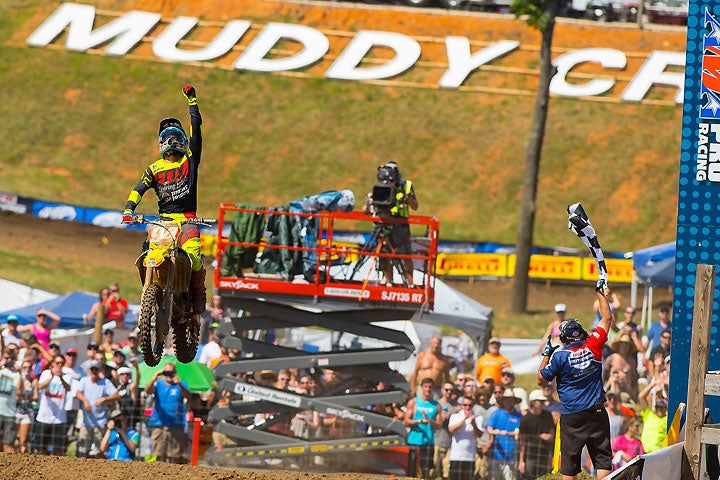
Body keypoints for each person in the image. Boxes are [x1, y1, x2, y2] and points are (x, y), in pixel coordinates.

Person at [122, 85, 206, 315]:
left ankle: (199, 293)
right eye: (167, 138)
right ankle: (153, 290)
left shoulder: (189, 161)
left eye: (176, 137)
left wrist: (192, 103)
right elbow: (138, 188)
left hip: (187, 220)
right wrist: (129, 209)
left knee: (194, 252)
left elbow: (196, 132)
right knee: (149, 250)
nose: (171, 142)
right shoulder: (154, 168)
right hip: (164, 222)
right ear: (161, 143)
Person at [537, 282, 615, 480]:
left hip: (572, 416)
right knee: (603, 459)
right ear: (581, 332)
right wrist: (600, 294)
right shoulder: (593, 345)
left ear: (563, 338)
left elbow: (541, 380)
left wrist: (546, 354)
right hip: (596, 412)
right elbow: (607, 318)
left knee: (569, 465)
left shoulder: (560, 357)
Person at [362, 160, 419, 287]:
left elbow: (415, 206)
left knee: (405, 253)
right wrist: (369, 205)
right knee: (384, 253)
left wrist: (407, 198)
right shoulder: (380, 187)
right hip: (383, 223)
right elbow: (366, 207)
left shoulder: (406, 186)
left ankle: (410, 282)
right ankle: (388, 281)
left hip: (400, 224)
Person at [145, 362, 190, 463]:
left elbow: (188, 396)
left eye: (171, 372)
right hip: (158, 423)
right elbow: (147, 390)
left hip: (176, 425)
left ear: (175, 372)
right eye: (167, 372)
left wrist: (179, 383)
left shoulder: (181, 384)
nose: (169, 375)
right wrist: (154, 377)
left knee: (175, 456)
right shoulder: (159, 384)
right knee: (157, 455)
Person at [75, 360, 120, 458]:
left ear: (99, 370)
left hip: (100, 422)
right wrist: (85, 401)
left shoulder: (105, 383)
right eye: (92, 369)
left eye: (96, 369)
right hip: (86, 422)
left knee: (100, 450)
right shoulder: (84, 381)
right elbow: (78, 393)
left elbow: (116, 395)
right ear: (90, 370)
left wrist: (105, 398)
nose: (94, 371)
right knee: (83, 450)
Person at [405, 377, 442, 480]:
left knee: (426, 472)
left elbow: (439, 425)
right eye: (425, 386)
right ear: (421, 388)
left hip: (428, 442)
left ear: (433, 388)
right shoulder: (414, 402)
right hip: (414, 440)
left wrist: (430, 421)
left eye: (430, 387)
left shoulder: (436, 405)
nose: (428, 389)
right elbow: (406, 421)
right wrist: (418, 421)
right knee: (411, 471)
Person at [35, 354, 71, 455]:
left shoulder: (66, 376)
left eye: (62, 363)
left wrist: (61, 378)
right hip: (44, 417)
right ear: (53, 364)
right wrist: (51, 377)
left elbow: (68, 388)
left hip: (59, 419)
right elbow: (40, 386)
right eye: (57, 363)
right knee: (41, 447)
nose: (59, 365)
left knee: (59, 449)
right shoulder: (46, 373)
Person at [486, 388, 523, 480]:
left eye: (511, 399)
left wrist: (509, 433)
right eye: (506, 399)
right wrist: (496, 432)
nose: (508, 401)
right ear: (503, 401)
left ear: (514, 401)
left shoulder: (519, 417)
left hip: (512, 456)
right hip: (495, 456)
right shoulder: (496, 414)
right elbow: (489, 429)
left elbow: (522, 434)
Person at [518, 390, 555, 480]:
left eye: (543, 401)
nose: (543, 403)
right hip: (530, 456)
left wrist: (549, 436)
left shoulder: (547, 415)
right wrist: (521, 461)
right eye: (540, 401)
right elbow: (522, 442)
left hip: (545, 455)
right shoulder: (525, 419)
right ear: (533, 402)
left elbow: (552, 433)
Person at [448, 394, 484, 480]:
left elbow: (479, 435)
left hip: (469, 457)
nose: (467, 407)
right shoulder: (455, 416)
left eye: (470, 405)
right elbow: (451, 429)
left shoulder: (478, 418)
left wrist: (474, 424)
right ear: (461, 405)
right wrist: (463, 420)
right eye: (465, 405)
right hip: (456, 456)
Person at [434, 382, 458, 480]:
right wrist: (440, 417)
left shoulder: (456, 406)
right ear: (442, 390)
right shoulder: (436, 403)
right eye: (447, 390)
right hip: (437, 441)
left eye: (451, 390)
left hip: (450, 443)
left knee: (446, 474)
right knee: (433, 472)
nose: (449, 392)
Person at [0, 351, 20, 452]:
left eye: (11, 358)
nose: (9, 360)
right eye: (7, 358)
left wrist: (20, 372)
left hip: (10, 413)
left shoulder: (17, 375)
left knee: (8, 443)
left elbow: (20, 391)